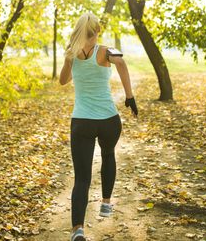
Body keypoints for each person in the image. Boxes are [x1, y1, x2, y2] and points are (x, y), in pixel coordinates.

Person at [59, 12, 138, 241]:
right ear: (98, 31)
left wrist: (67, 60)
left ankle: (77, 230)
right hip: (109, 121)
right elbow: (121, 62)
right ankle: (105, 204)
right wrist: (130, 97)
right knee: (108, 155)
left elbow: (63, 81)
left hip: (82, 122)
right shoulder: (106, 51)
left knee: (81, 178)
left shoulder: (72, 53)